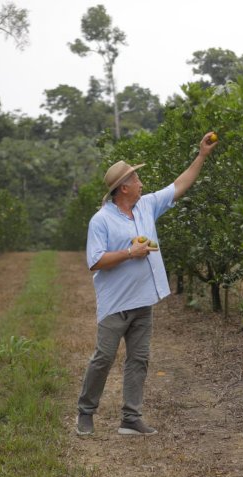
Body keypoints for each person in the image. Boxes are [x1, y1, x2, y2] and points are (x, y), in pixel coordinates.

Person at [76, 132, 218, 436]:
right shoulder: (101, 220)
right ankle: (85, 412)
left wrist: (202, 155)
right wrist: (131, 252)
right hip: (116, 305)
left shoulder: (146, 206)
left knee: (139, 360)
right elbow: (95, 261)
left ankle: (130, 418)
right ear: (124, 188)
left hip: (143, 302)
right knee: (103, 359)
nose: (142, 183)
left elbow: (179, 185)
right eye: (137, 179)